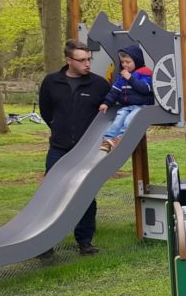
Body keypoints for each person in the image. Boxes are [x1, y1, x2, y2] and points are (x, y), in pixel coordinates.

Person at [38, 39, 111, 256]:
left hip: (88, 150)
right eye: (81, 60)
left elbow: (108, 115)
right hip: (59, 148)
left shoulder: (99, 85)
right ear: (69, 60)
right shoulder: (51, 82)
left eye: (89, 59)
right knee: (51, 193)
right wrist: (58, 128)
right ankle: (44, 241)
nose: (87, 64)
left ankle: (85, 241)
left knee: (85, 193)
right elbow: (46, 111)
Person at [98, 45, 154, 151]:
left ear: (136, 61)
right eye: (122, 62)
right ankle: (108, 140)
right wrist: (106, 103)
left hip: (141, 106)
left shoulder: (145, 72)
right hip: (127, 106)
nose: (124, 65)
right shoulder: (122, 76)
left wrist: (130, 78)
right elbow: (115, 90)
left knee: (129, 120)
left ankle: (121, 138)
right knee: (119, 118)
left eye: (128, 62)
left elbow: (145, 89)